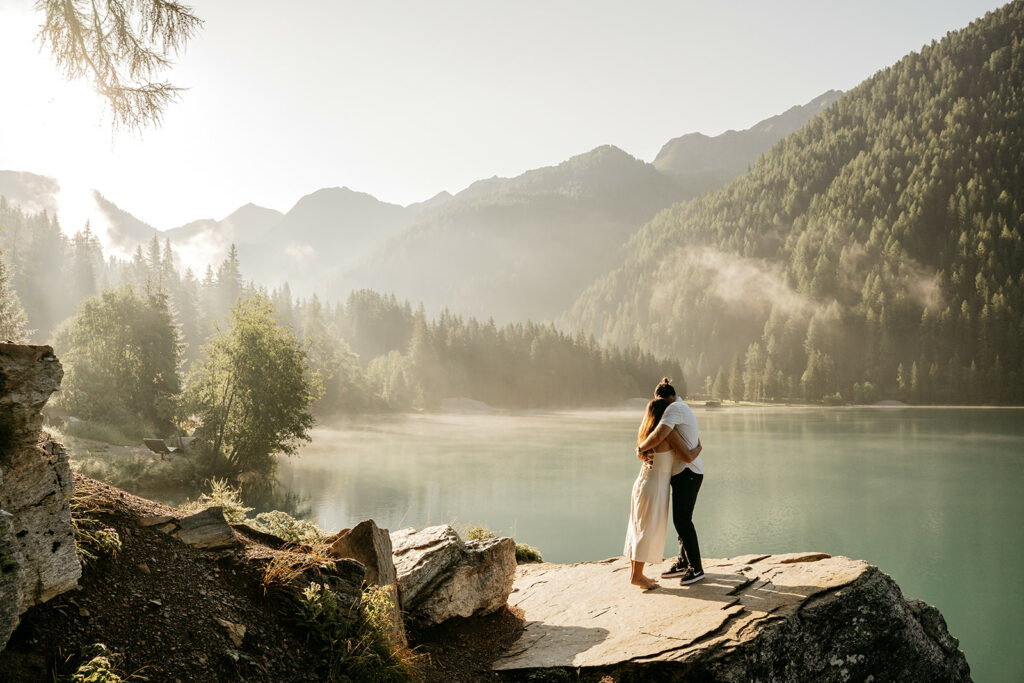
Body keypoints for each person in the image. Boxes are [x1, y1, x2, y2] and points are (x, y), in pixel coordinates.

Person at [624, 396, 702, 590]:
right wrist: (699, 445)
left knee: (638, 527)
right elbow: (688, 455)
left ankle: (637, 573)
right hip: (655, 487)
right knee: (646, 529)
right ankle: (637, 576)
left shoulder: (647, 433)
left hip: (642, 483)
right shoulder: (668, 434)